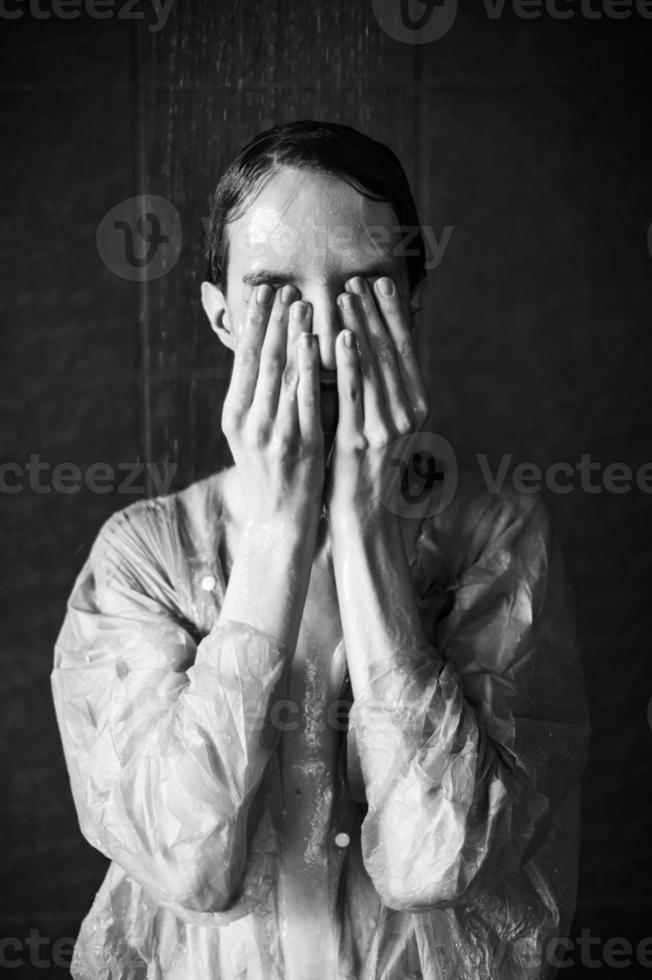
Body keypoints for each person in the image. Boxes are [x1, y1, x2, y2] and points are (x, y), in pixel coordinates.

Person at [51, 120, 591, 980]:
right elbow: (190, 865)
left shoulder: (494, 534)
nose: (322, 336)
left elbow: (439, 862)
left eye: (365, 287)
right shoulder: (144, 556)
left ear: (410, 305)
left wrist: (368, 530)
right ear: (222, 317)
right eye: (274, 291)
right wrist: (278, 533)